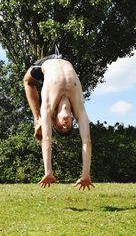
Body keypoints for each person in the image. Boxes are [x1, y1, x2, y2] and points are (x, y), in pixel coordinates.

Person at [23, 54, 94, 190]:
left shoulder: (48, 109)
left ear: (53, 122)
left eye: (61, 128)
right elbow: (86, 141)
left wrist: (48, 172)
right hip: (64, 59)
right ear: (74, 120)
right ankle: (38, 120)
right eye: (68, 127)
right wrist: (86, 174)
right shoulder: (80, 108)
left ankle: (37, 119)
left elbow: (47, 139)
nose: (65, 124)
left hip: (45, 63)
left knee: (27, 81)